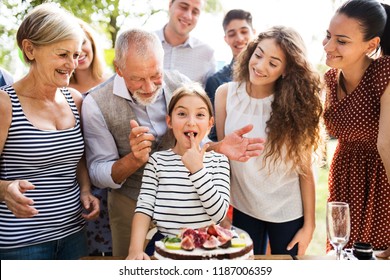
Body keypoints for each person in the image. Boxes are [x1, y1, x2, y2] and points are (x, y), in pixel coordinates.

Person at [82, 28, 264, 257]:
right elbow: (98, 171)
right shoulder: (95, 103)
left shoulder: (180, 84)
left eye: (155, 75)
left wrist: (216, 147)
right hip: (128, 199)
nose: (149, 88)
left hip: (193, 210)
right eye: (137, 78)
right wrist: (134, 160)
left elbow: (199, 143)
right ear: (119, 69)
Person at [0, 3, 99, 260]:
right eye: (62, 54)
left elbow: (77, 158)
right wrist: (3, 189)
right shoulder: (4, 104)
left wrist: (86, 189)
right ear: (30, 49)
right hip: (21, 243)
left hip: (73, 235)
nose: (72, 64)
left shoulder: (75, 99)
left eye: (76, 55)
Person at [215, 26, 323, 256]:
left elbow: (305, 171)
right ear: (251, 51)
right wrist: (221, 211)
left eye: (273, 63)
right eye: (259, 54)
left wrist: (309, 225)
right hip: (243, 206)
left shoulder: (295, 108)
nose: (260, 66)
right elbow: (223, 158)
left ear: (286, 71)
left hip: (287, 211)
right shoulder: (225, 94)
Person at [126, 83, 230, 260]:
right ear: (169, 121)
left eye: (200, 115)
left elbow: (219, 214)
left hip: (205, 248)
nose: (191, 121)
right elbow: (144, 209)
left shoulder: (219, 161)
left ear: (210, 123)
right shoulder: (157, 161)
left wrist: (197, 169)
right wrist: (135, 249)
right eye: (182, 114)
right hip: (164, 244)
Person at [322, 0, 390, 253]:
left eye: (341, 40)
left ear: (371, 44)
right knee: (342, 253)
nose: (328, 46)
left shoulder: (384, 71)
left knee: (376, 259)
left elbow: (386, 145)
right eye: (328, 36)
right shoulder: (330, 78)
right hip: (344, 176)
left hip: (381, 179)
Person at [69, 18, 113, 257]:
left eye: (82, 42)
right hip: (78, 181)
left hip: (113, 179)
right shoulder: (60, 91)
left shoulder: (115, 82)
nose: (79, 51)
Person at [205, 9, 256, 141]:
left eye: (244, 32)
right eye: (232, 34)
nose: (239, 38)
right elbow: (213, 134)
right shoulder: (215, 81)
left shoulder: (269, 75)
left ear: (254, 33)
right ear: (226, 39)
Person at [155, 0, 216, 87]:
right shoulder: (142, 43)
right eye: (183, 7)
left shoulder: (207, 54)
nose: (188, 16)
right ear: (170, 5)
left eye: (195, 12)